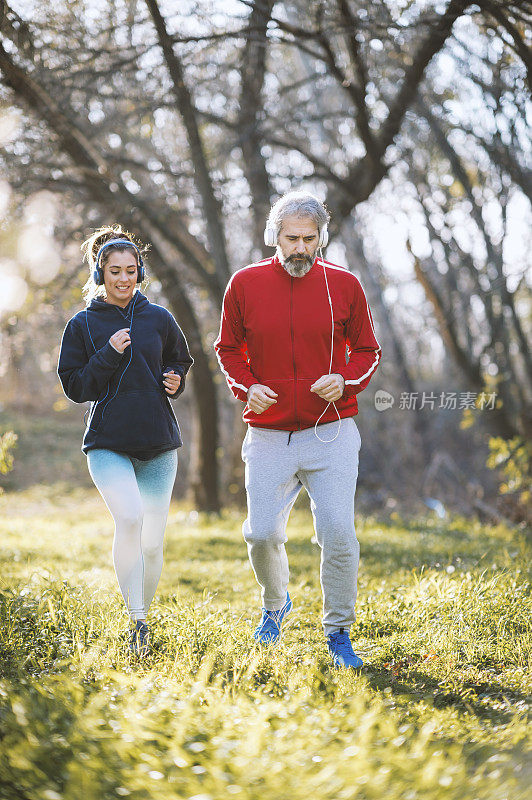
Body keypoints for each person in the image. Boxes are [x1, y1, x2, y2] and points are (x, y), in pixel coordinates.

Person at [214, 191, 381, 668]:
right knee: (262, 534)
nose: (300, 249)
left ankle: (338, 631)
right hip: (267, 436)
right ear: (274, 237)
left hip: (331, 432)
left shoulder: (344, 285)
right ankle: (275, 605)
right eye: (291, 239)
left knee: (337, 532)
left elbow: (369, 351)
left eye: (310, 239)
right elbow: (227, 349)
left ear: (322, 238)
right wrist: (247, 387)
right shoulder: (244, 284)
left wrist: (344, 380)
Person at [58, 225, 193, 656]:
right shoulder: (82, 325)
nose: (123, 279)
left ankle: (143, 614)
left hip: (158, 442)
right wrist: (108, 353)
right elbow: (76, 386)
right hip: (108, 442)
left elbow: (180, 359)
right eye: (114, 271)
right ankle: (135, 619)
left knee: (153, 539)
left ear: (139, 274)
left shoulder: (160, 318)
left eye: (131, 271)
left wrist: (176, 380)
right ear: (100, 274)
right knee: (131, 518)